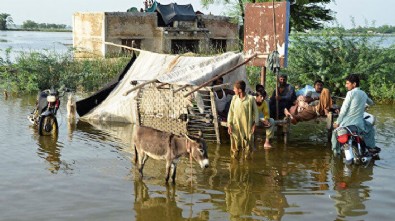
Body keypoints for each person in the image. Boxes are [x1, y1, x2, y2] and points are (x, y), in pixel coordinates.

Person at [331, 74, 376, 154]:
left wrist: (337, 122)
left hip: (347, 123)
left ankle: (336, 152)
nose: (346, 85)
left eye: (347, 83)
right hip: (359, 124)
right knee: (370, 129)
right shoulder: (363, 93)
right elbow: (371, 103)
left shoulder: (350, 93)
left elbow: (344, 110)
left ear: (354, 84)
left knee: (335, 132)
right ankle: (371, 147)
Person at [227, 80, 259, 159]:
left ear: (240, 90)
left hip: (246, 126)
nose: (234, 90)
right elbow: (230, 112)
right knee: (235, 145)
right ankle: (235, 164)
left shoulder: (250, 99)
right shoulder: (234, 98)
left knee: (247, 145)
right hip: (235, 125)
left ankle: (247, 164)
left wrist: (255, 124)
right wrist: (229, 124)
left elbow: (256, 112)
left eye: (235, 89)